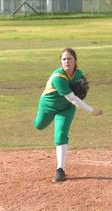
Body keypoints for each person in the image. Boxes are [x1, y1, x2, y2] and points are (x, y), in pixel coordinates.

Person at [34, 48, 103, 182]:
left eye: (70, 58)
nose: (67, 61)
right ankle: (46, 119)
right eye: (64, 59)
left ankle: (60, 169)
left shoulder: (78, 75)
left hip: (66, 108)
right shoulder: (58, 78)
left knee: (61, 134)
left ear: (75, 61)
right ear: (60, 62)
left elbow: (76, 98)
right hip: (48, 105)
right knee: (39, 125)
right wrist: (92, 111)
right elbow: (73, 98)